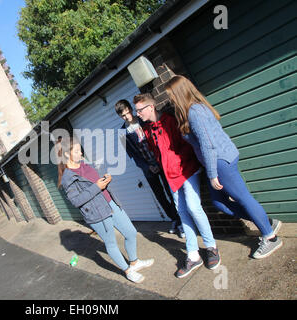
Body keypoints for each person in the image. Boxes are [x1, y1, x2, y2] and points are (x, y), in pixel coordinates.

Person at [164, 75, 283, 259]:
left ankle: (270, 237)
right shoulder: (193, 110)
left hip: (220, 162)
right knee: (219, 203)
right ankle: (266, 222)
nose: (170, 100)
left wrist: (211, 174)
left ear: (179, 94)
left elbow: (208, 145)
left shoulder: (195, 112)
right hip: (218, 161)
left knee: (243, 198)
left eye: (171, 96)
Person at [133, 93, 220, 278]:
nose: (137, 114)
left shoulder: (169, 121)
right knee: (182, 212)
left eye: (140, 110)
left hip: (186, 170)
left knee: (194, 208)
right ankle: (193, 254)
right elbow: (157, 151)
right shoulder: (147, 129)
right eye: (136, 111)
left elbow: (185, 145)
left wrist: (178, 163)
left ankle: (211, 246)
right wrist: (161, 165)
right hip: (170, 175)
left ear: (150, 107)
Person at [57, 136, 154, 283]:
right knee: (111, 243)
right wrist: (97, 186)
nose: (81, 154)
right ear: (66, 154)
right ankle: (128, 271)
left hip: (110, 203)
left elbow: (94, 183)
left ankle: (134, 262)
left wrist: (104, 180)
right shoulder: (67, 178)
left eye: (80, 150)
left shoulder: (84, 164)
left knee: (131, 232)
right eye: (76, 151)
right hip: (97, 213)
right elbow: (76, 201)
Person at [115, 99, 185, 238]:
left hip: (161, 162)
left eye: (128, 113)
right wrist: (147, 167)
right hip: (147, 168)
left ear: (131, 109)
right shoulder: (122, 133)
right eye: (123, 116)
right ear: (120, 116)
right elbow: (133, 155)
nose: (127, 117)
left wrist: (159, 161)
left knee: (171, 192)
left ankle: (181, 221)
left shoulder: (144, 121)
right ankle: (174, 219)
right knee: (160, 195)